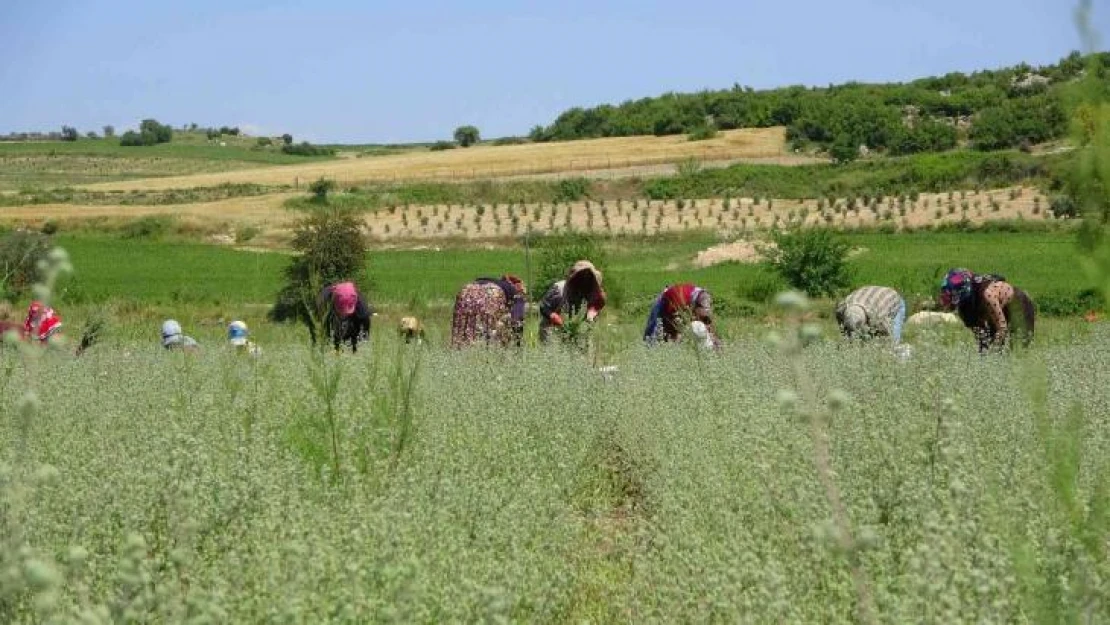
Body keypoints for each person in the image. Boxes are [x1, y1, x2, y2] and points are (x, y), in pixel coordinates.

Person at [939, 268, 1035, 352]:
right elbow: (980, 334)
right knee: (987, 347)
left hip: (1017, 305)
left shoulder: (987, 294)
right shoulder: (964, 308)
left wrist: (993, 352)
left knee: (1019, 347)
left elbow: (1002, 328)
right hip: (992, 311)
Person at [538, 260, 607, 343]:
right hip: (552, 331)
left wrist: (590, 315)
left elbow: (598, 304)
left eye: (588, 277)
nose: (585, 279)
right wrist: (554, 316)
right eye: (582, 276)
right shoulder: (560, 289)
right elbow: (543, 307)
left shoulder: (593, 292)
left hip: (578, 333)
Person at [450, 275, 527, 348]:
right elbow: (517, 318)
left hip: (466, 290)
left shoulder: (498, 282)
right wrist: (518, 344)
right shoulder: (518, 292)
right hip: (491, 293)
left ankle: (460, 352)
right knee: (492, 336)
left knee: (462, 328)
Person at [643, 283, 720, 346]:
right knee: (653, 340)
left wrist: (716, 342)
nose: (703, 321)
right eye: (702, 318)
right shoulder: (676, 301)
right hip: (665, 304)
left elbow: (709, 324)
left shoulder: (704, 300)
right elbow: (672, 326)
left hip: (683, 306)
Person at [315, 281, 373, 353]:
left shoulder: (361, 307)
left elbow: (365, 330)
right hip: (330, 312)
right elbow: (322, 323)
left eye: (345, 313)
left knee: (354, 338)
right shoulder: (326, 298)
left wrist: (361, 345)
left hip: (356, 318)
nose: (343, 314)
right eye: (341, 312)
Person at [835, 286, 906, 344]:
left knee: (893, 341)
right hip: (869, 296)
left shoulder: (878, 315)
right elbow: (842, 324)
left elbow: (887, 333)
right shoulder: (844, 306)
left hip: (893, 300)